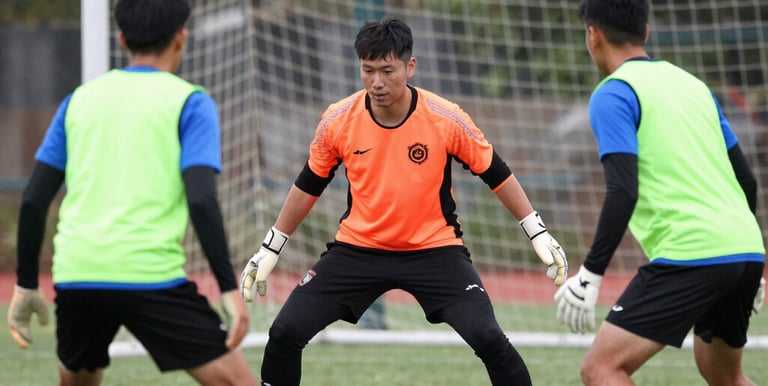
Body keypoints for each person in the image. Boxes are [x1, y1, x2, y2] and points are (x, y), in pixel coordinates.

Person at [239, 17, 568, 386]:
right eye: (368, 70)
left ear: (410, 67)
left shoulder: (446, 118)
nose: (377, 82)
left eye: (387, 70)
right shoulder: (337, 120)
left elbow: (496, 172)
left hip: (435, 250)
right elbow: (308, 185)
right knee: (284, 332)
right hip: (358, 250)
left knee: (489, 337)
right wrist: (272, 246)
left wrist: (537, 231)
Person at [6, 1, 258, 385]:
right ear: (181, 37)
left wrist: (26, 284)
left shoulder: (78, 101)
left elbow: (33, 200)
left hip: (78, 273)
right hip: (150, 275)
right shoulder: (191, 102)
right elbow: (202, 199)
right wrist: (228, 287)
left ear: (122, 40)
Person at [554, 1, 766, 385]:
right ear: (646, 33)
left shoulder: (614, 93)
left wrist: (591, 274)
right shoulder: (696, 87)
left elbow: (622, 190)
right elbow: (747, 182)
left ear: (593, 35)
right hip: (747, 248)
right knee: (724, 375)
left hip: (693, 252)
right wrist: (752, 264)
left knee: (601, 369)